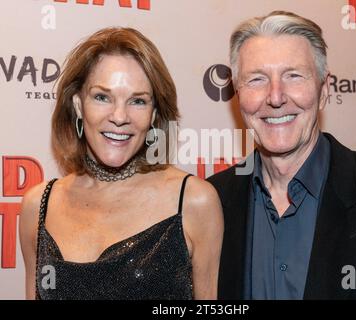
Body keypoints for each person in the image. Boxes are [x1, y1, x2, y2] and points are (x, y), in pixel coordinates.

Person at [208, 11, 356, 299]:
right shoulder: (211, 202)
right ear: (238, 95)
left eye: (294, 76)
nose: (275, 97)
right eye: (257, 79)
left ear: (324, 89)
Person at [19, 27, 223, 300]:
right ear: (78, 105)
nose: (119, 116)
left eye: (138, 101)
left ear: (154, 114)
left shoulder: (193, 202)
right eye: (102, 97)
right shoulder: (38, 205)